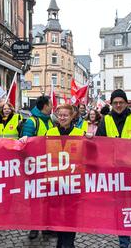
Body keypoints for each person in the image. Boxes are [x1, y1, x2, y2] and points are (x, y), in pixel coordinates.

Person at [95, 89, 131, 248]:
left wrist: (130, 145)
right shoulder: (105, 120)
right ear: (111, 104)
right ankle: (124, 242)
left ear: (126, 103)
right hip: (114, 172)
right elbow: (99, 143)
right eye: (115, 102)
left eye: (121, 102)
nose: (118, 105)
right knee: (120, 207)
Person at [45, 104, 85, 248]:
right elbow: (39, 150)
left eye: (65, 115)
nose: (62, 118)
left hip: (73, 181)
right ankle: (61, 241)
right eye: (60, 115)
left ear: (72, 116)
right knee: (56, 213)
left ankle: (68, 243)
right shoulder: (50, 132)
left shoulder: (80, 133)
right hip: (54, 181)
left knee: (70, 213)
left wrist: (91, 140)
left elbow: (89, 154)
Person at [19, 95, 54, 239]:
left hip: (49, 166)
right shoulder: (31, 122)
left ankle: (46, 226)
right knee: (34, 199)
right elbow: (25, 145)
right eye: (51, 104)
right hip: (35, 167)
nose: (52, 106)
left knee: (48, 198)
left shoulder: (50, 120)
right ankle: (34, 227)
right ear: (45, 106)